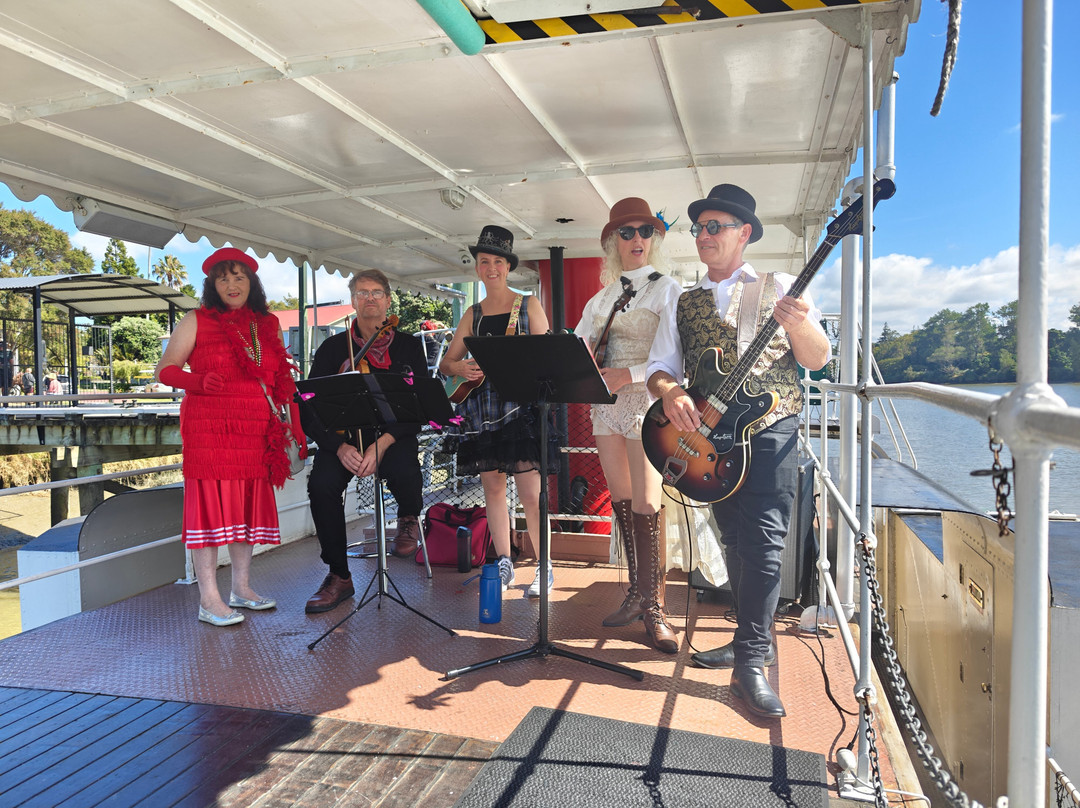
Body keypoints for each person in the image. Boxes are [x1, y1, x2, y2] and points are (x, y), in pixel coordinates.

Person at [646, 184, 830, 718]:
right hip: (714, 439)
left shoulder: (781, 286)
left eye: (715, 227)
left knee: (765, 541)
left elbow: (818, 359)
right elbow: (660, 368)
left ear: (744, 233)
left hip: (773, 427)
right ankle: (753, 639)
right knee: (732, 537)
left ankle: (750, 664)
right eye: (698, 228)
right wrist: (671, 392)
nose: (703, 236)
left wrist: (800, 325)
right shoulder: (683, 300)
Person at [155, 247, 306, 627]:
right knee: (208, 516)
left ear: (251, 282)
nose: (231, 284)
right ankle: (209, 599)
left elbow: (282, 381)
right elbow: (166, 370)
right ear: (213, 285)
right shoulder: (196, 320)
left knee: (244, 512)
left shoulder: (267, 323)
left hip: (256, 431)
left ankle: (241, 588)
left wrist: (297, 429)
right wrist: (197, 381)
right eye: (223, 278)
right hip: (210, 432)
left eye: (239, 277)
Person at [574, 198, 683, 653]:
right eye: (626, 232)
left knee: (646, 503)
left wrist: (628, 375)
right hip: (606, 407)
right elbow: (578, 345)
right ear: (612, 242)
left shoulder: (667, 289)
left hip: (646, 403)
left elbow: (674, 357)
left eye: (644, 231)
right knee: (620, 501)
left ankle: (656, 607)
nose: (636, 239)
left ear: (653, 239)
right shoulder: (600, 299)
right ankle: (637, 594)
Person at [300, 269, 428, 614]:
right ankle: (339, 576)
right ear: (353, 301)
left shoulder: (408, 347)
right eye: (361, 293)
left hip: (392, 436)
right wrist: (339, 447)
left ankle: (408, 518)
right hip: (344, 439)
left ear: (388, 300)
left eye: (376, 292)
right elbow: (309, 407)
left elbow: (419, 408)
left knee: (405, 468)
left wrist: (382, 443)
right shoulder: (332, 349)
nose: (369, 298)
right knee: (321, 485)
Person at [439, 225, 553, 597]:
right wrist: (460, 367)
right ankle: (504, 561)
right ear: (477, 267)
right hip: (482, 412)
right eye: (484, 261)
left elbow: (547, 359)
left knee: (531, 492)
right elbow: (446, 364)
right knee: (493, 489)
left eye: (498, 261)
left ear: (508, 266)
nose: (491, 268)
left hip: (519, 411)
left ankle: (544, 566)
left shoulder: (529, 305)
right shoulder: (472, 313)